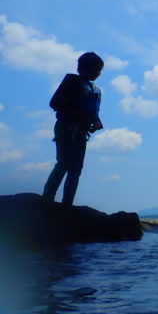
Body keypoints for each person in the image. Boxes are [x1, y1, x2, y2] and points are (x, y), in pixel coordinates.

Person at [42, 52, 104, 206]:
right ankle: (47, 199)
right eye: (95, 69)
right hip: (66, 128)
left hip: (82, 132)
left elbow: (94, 113)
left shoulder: (96, 90)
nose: (98, 73)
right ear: (82, 68)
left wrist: (97, 122)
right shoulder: (71, 81)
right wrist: (77, 114)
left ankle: (67, 204)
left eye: (100, 70)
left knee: (76, 168)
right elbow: (54, 103)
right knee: (63, 163)